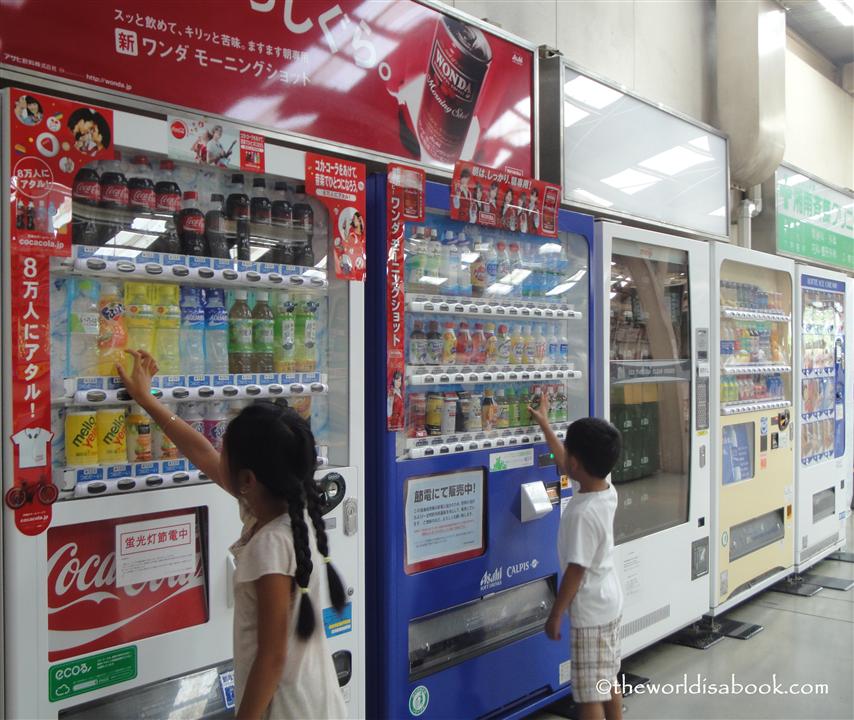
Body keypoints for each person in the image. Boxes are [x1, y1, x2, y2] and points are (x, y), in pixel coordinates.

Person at [116, 349, 347, 720]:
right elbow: (201, 452)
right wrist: (148, 400)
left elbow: (271, 659)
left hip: (287, 710)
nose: (218, 457)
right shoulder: (289, 509)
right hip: (314, 701)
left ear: (248, 480)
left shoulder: (270, 546)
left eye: (229, 454)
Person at [529, 394, 624, 720]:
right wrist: (545, 424)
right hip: (610, 601)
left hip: (590, 612)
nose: (564, 456)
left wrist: (556, 613)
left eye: (568, 451)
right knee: (607, 678)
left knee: (587, 696)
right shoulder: (602, 490)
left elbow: (575, 571)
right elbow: (564, 462)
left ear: (576, 464)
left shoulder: (582, 514)